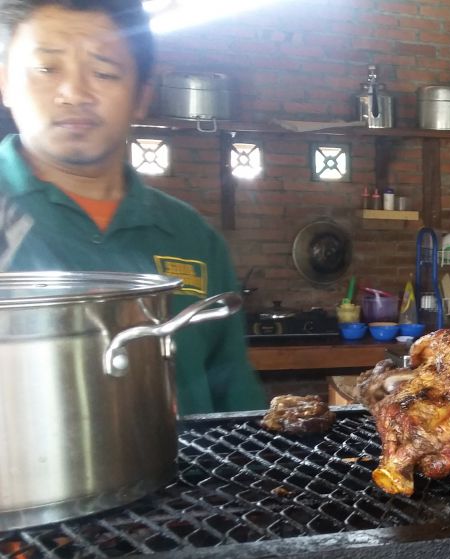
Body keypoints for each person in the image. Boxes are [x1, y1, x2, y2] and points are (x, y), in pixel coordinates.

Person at [0, 0, 265, 416]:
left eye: (104, 72)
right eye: (47, 68)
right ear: (5, 82)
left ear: (141, 96)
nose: (74, 93)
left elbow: (236, 396)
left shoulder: (192, 237)